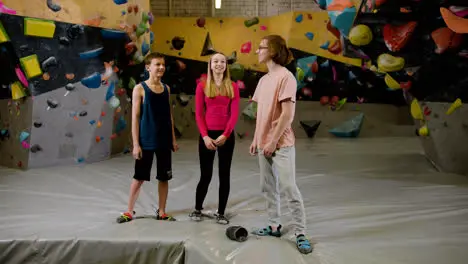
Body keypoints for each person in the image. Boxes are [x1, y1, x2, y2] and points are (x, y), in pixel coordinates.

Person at [249, 35, 313, 254]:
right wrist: (257, 139)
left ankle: (301, 232)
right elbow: (261, 114)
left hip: (281, 143)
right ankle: (275, 225)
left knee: (288, 187)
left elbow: (287, 115)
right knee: (267, 186)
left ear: (273, 50)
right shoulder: (263, 80)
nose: (257, 51)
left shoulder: (286, 78)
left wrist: (272, 141)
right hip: (263, 143)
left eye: (261, 47)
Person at [117, 52, 179, 223]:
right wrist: (136, 144)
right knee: (139, 177)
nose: (161, 67)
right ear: (148, 67)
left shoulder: (166, 89)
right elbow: (135, 118)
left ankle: (162, 211)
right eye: (157, 64)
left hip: (164, 141)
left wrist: (173, 139)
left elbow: (169, 116)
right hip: (146, 141)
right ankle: (129, 211)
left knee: (164, 177)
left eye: (163, 65)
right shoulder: (140, 88)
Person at [189, 52, 240, 225]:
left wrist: (226, 134)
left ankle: (221, 212)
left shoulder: (232, 86)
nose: (219, 64)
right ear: (210, 65)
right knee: (206, 174)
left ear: (226, 65)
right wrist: (204, 136)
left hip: (226, 136)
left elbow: (233, 115)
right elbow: (199, 114)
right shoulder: (202, 86)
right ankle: (197, 208)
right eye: (216, 61)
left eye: (222, 62)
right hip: (207, 136)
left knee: (224, 175)